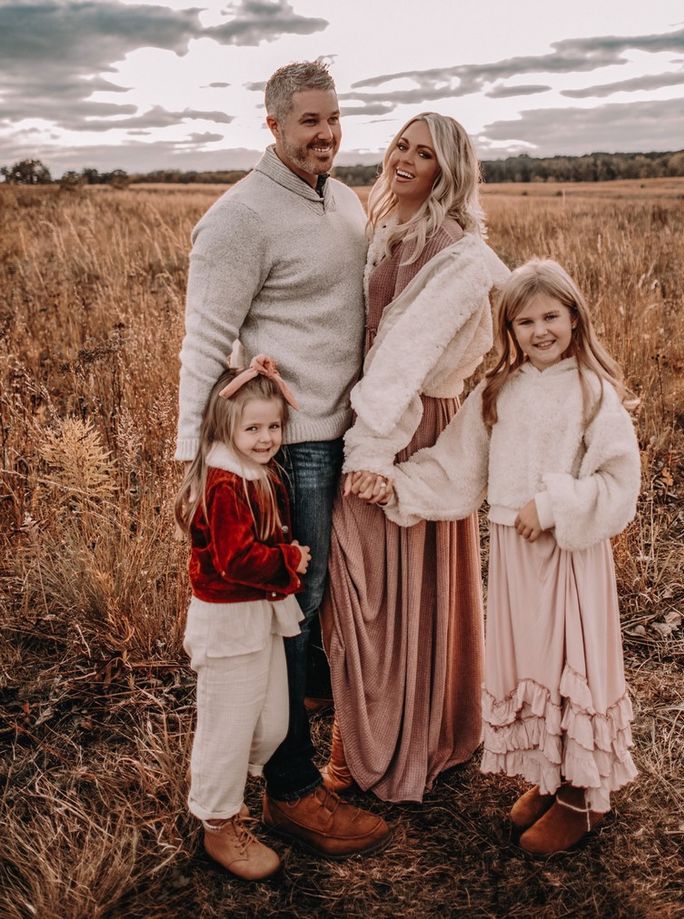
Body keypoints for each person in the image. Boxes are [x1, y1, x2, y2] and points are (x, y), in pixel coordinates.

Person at [175, 60, 390, 857]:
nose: (326, 133)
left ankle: (308, 749)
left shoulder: (342, 201)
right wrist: (190, 460)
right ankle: (291, 791)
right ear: (272, 126)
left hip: (346, 439)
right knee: (288, 619)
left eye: (334, 118)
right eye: (308, 121)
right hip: (289, 451)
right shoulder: (239, 218)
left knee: (326, 610)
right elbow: (202, 343)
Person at [382, 259, 641, 854]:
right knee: (533, 661)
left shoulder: (592, 392)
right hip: (514, 558)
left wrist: (552, 506)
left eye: (551, 316)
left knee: (571, 662)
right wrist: (396, 484)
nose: (540, 330)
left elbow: (619, 482)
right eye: (525, 321)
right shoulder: (497, 391)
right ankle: (551, 776)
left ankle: (583, 796)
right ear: (509, 329)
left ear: (574, 318)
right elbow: (458, 464)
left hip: (568, 557)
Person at [321, 112, 510, 802]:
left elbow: (404, 358)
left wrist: (371, 448)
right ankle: (384, 722)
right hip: (375, 408)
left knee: (367, 583)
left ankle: (359, 754)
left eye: (423, 153)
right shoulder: (385, 229)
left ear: (447, 171)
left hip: (409, 423)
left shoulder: (455, 253)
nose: (404, 158)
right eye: (401, 143)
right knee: (377, 585)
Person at [174, 352, 310, 879]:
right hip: (229, 622)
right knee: (227, 725)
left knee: (273, 721)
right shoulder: (224, 482)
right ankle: (218, 822)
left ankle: (234, 792)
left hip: (262, 616)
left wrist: (282, 561)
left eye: (273, 426)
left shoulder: (258, 473)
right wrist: (289, 561)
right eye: (252, 427)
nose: (265, 436)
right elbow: (235, 560)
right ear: (225, 426)